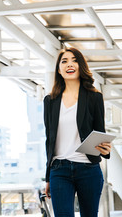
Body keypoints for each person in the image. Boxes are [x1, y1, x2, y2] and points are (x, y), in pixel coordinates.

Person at [43, 47, 112, 217]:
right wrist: (47, 177)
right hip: (59, 169)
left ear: (81, 66)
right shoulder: (50, 101)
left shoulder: (94, 97)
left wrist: (105, 149)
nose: (69, 64)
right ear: (59, 69)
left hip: (88, 168)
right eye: (64, 61)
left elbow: (99, 132)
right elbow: (49, 140)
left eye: (74, 60)